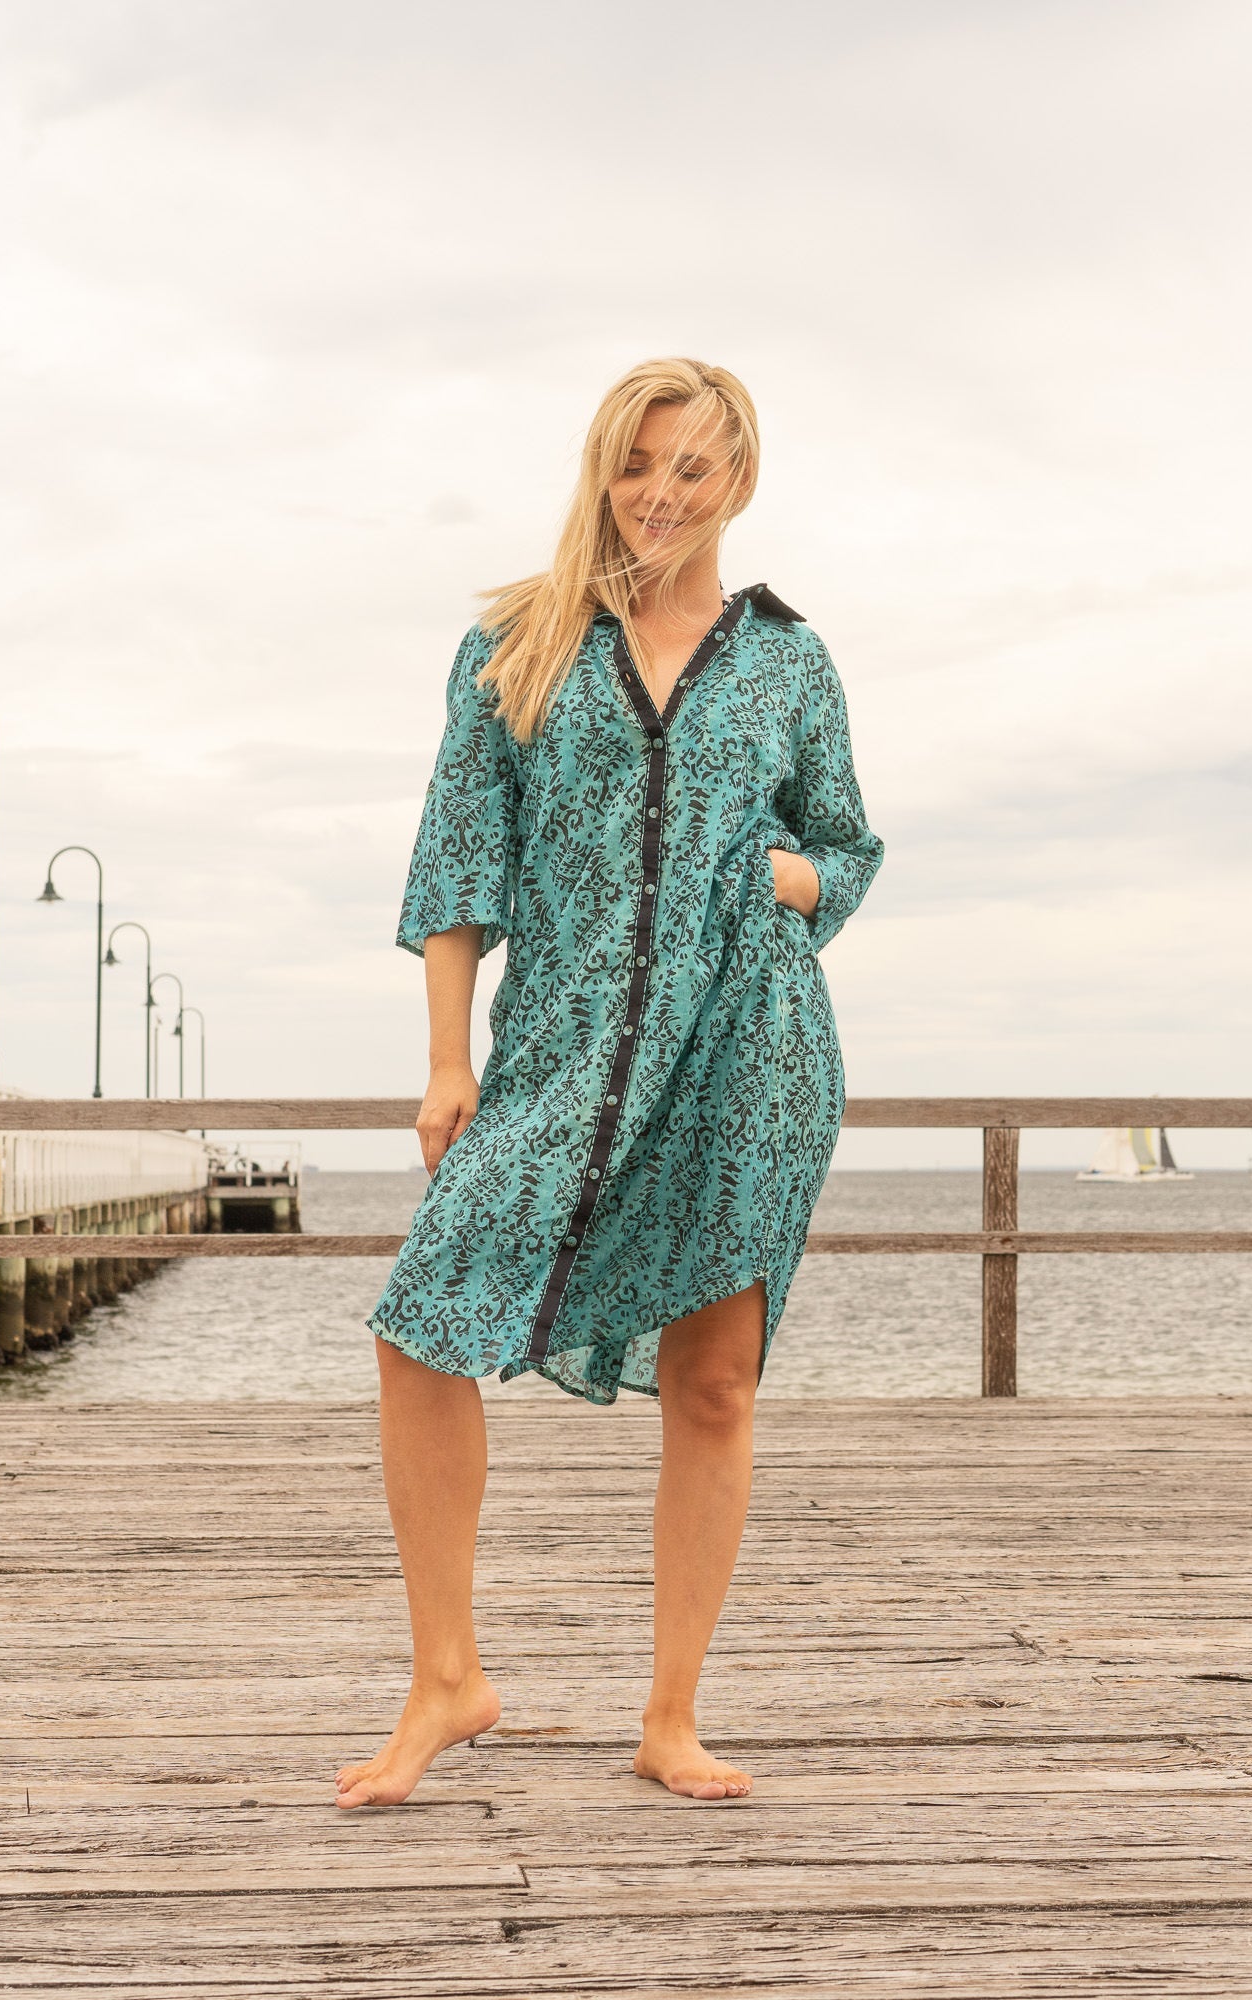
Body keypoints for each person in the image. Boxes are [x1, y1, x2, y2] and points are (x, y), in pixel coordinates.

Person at [340, 358, 882, 1810]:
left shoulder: (788, 661)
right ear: (602, 469)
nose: (660, 493)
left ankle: (671, 1718)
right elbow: (459, 861)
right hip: (560, 1051)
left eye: (692, 467)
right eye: (637, 463)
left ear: (739, 481)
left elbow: (847, 846)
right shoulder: (518, 643)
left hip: (748, 1048)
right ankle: (448, 1677)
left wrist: (793, 879)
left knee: (713, 1385)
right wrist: (449, 1057)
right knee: (421, 1326)